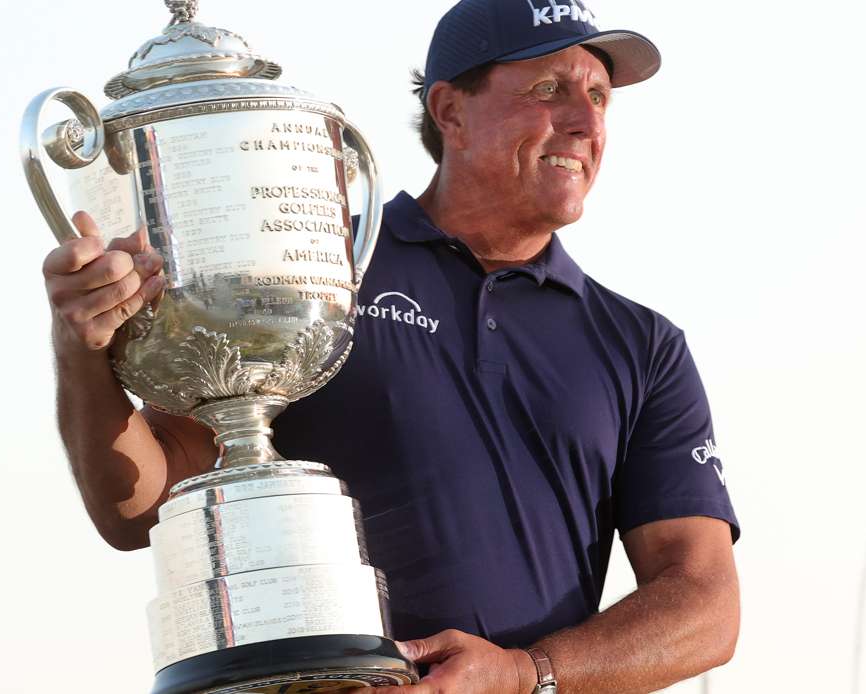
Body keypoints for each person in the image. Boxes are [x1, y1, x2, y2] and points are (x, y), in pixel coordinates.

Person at [41, 1, 740, 692]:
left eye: (598, 97)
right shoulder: (306, 270)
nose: (586, 122)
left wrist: (527, 674)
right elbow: (142, 508)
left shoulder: (642, 347)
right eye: (549, 89)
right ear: (450, 111)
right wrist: (81, 349)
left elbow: (706, 609)